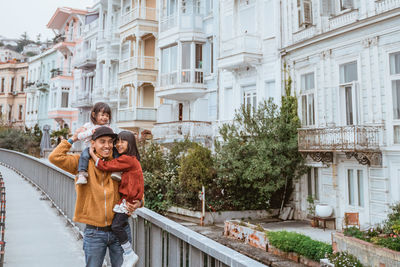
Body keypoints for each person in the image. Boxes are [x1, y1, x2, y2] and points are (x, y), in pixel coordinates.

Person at [48, 126, 142, 267]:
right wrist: (73, 138)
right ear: (93, 143)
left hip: (120, 230)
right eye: (102, 141)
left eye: (110, 142)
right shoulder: (82, 163)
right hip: (94, 233)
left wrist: (139, 203)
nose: (107, 146)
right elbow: (54, 157)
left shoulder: (121, 163)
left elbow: (136, 187)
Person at [89, 131, 143, 267]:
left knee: (116, 226)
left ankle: (129, 253)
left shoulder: (127, 160)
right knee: (117, 225)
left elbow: (106, 166)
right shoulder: (131, 160)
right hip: (128, 200)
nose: (118, 144)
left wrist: (92, 155)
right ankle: (128, 253)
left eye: (122, 141)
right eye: (117, 141)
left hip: (127, 200)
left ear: (130, 143)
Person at [75, 102, 121, 185]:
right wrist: (90, 132)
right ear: (94, 114)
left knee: (116, 153)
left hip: (103, 151)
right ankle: (82, 173)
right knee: (84, 156)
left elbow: (112, 138)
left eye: (107, 116)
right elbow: (80, 136)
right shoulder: (88, 125)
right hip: (90, 148)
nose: (105, 118)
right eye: (102, 115)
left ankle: (117, 170)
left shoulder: (108, 127)